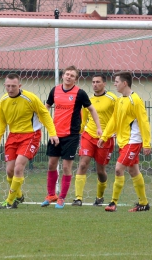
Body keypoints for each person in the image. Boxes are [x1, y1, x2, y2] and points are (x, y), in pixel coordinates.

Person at [0, 73, 59, 209]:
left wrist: (52, 133)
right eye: (8, 86)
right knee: (9, 171)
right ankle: (19, 196)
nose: (10, 89)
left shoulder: (30, 98)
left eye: (13, 86)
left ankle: (9, 202)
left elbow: (44, 114)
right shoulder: (3, 100)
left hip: (30, 135)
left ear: (19, 86)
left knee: (18, 167)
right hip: (13, 136)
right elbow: (1, 121)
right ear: (4, 85)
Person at [41, 65, 102, 209]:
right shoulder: (54, 90)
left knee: (66, 167)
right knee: (51, 165)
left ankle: (61, 197)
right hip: (55, 135)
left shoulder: (80, 93)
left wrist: (99, 127)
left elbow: (92, 109)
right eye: (67, 74)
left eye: (72, 75)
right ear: (63, 75)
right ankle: (51, 195)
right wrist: (44, 124)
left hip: (71, 135)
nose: (69, 77)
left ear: (76, 79)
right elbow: (46, 107)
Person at [98, 71, 151, 212]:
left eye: (116, 82)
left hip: (133, 141)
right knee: (133, 171)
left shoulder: (136, 100)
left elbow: (144, 122)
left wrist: (146, 143)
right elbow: (114, 120)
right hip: (123, 142)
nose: (114, 84)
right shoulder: (120, 100)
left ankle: (113, 203)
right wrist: (104, 137)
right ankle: (144, 203)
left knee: (118, 168)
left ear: (124, 83)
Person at [72, 74, 117, 207]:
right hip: (89, 135)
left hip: (105, 138)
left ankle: (99, 196)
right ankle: (78, 198)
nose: (95, 84)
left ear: (104, 84)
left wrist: (115, 132)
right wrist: (78, 132)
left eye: (98, 82)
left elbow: (119, 118)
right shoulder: (88, 100)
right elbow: (84, 119)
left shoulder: (112, 99)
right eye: (93, 82)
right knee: (82, 164)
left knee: (100, 171)